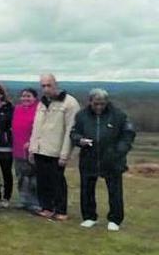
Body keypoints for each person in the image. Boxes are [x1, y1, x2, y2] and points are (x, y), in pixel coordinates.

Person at [71, 89, 136, 231]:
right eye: (96, 104)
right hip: (89, 157)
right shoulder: (82, 116)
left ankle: (115, 219)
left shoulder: (118, 115)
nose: (99, 107)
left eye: (102, 104)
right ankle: (89, 217)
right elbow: (74, 133)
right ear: (90, 102)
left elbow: (128, 134)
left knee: (115, 191)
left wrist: (119, 150)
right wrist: (79, 140)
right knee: (87, 189)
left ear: (107, 102)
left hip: (112, 160)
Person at [29, 74, 80, 220]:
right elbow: (36, 127)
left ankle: (61, 210)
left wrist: (65, 154)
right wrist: (33, 148)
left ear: (56, 84)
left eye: (48, 85)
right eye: (43, 86)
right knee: (42, 181)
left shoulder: (69, 103)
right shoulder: (42, 103)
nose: (45, 89)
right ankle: (46, 207)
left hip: (56, 150)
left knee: (57, 181)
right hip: (40, 148)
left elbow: (71, 129)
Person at [12, 88, 40, 212]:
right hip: (17, 148)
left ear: (35, 98)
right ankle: (24, 200)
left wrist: (32, 143)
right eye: (23, 96)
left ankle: (35, 202)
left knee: (33, 178)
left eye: (29, 96)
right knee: (21, 176)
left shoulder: (39, 110)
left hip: (33, 149)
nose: (25, 99)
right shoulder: (17, 109)